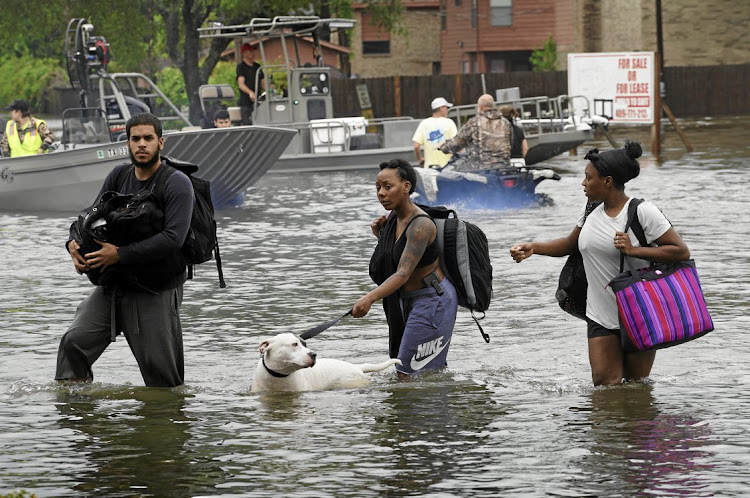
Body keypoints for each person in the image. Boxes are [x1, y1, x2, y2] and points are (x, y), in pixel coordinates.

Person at [509, 141, 690, 386]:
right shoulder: (591, 210)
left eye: (588, 177)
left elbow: (680, 251)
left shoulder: (643, 211)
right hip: (600, 314)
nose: (583, 183)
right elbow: (570, 244)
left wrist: (633, 249)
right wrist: (534, 247)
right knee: (604, 385)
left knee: (636, 387)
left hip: (640, 312)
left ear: (607, 181)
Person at [55, 112, 194, 388]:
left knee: (162, 378)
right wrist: (72, 242)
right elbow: (91, 216)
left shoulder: (176, 183)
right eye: (135, 139)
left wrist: (119, 254)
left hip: (155, 289)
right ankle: (77, 415)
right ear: (128, 143)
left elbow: (173, 239)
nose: (142, 144)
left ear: (161, 142)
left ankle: (165, 426)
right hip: (114, 284)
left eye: (148, 138)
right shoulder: (119, 175)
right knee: (74, 343)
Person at [353, 159, 459, 379]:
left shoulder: (420, 225)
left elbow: (403, 273)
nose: (381, 193)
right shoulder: (393, 219)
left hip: (432, 300)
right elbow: (393, 257)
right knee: (413, 369)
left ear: (407, 186)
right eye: (378, 187)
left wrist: (369, 298)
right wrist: (381, 236)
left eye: (387, 187)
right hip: (406, 301)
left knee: (406, 374)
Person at [439, 94, 512, 170]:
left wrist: (443, 147)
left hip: (481, 169)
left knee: (454, 172)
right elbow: (510, 143)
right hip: (504, 167)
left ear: (480, 107)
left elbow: (456, 144)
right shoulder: (505, 122)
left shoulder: (474, 122)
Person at [411, 97, 458, 169]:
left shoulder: (424, 123)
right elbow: (456, 143)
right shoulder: (449, 122)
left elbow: (416, 146)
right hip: (448, 167)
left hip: (430, 167)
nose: (447, 110)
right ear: (441, 108)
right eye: (446, 107)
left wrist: (420, 159)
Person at [236, 42, 265, 125]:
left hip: (258, 101)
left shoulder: (257, 66)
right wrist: (250, 92)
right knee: (248, 122)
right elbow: (241, 84)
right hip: (246, 102)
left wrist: (270, 90)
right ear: (244, 53)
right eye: (250, 51)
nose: (253, 53)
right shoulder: (241, 67)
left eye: (253, 51)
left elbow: (263, 83)